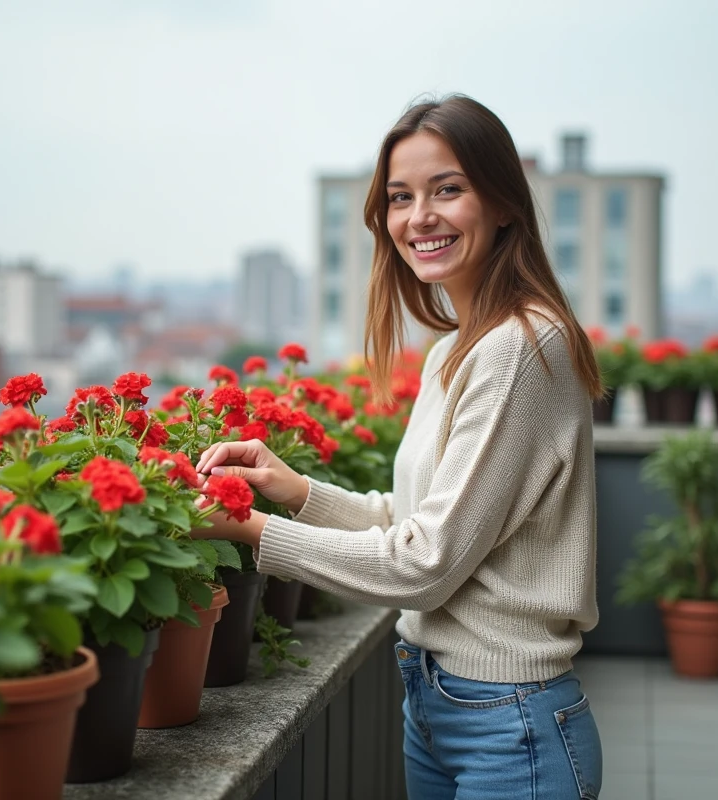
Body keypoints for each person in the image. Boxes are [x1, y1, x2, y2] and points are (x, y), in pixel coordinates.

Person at [196, 95, 603, 800]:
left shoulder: (517, 349)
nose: (420, 217)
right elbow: (420, 516)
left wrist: (256, 531)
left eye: (448, 189)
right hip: (439, 703)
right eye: (400, 197)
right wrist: (296, 491)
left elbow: (425, 565)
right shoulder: (458, 347)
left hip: (510, 729)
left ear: (504, 202)